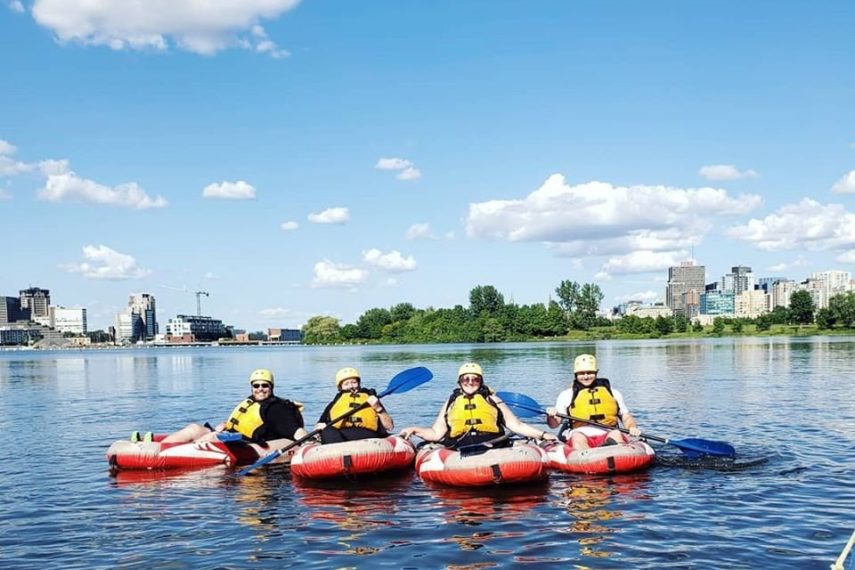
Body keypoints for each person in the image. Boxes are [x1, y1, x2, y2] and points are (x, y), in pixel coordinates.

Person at [400, 362, 557, 448]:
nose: (470, 382)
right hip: (460, 446)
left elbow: (515, 425)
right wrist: (414, 429)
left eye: (474, 379)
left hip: (493, 443)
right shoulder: (452, 401)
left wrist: (543, 435)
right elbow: (436, 433)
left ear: (480, 381)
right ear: (459, 382)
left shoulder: (492, 399)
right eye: (465, 379)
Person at [159, 368, 308, 449]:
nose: (260, 389)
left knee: (211, 437)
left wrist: (310, 441)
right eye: (256, 386)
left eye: (265, 385)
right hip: (230, 435)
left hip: (246, 444)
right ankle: (159, 449)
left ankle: (168, 456)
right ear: (251, 387)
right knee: (194, 428)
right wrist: (225, 424)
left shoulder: (276, 408)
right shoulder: (252, 401)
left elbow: (295, 431)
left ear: (271, 387)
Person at [546, 354, 641, 450]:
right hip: (581, 433)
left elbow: (626, 416)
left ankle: (614, 450)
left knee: (616, 434)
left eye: (590, 372)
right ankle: (586, 457)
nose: (586, 376)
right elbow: (554, 425)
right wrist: (551, 416)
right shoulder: (566, 394)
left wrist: (631, 427)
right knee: (577, 437)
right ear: (575, 374)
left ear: (596, 372)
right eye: (581, 373)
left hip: (608, 431)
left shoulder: (612, 392)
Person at [314, 367, 394, 444]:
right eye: (346, 384)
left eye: (354, 382)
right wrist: (320, 427)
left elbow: (389, 427)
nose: (351, 386)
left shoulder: (372, 400)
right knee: (327, 430)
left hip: (368, 439)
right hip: (339, 440)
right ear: (340, 387)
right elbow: (318, 427)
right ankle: (339, 454)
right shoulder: (334, 404)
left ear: (359, 384)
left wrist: (379, 408)